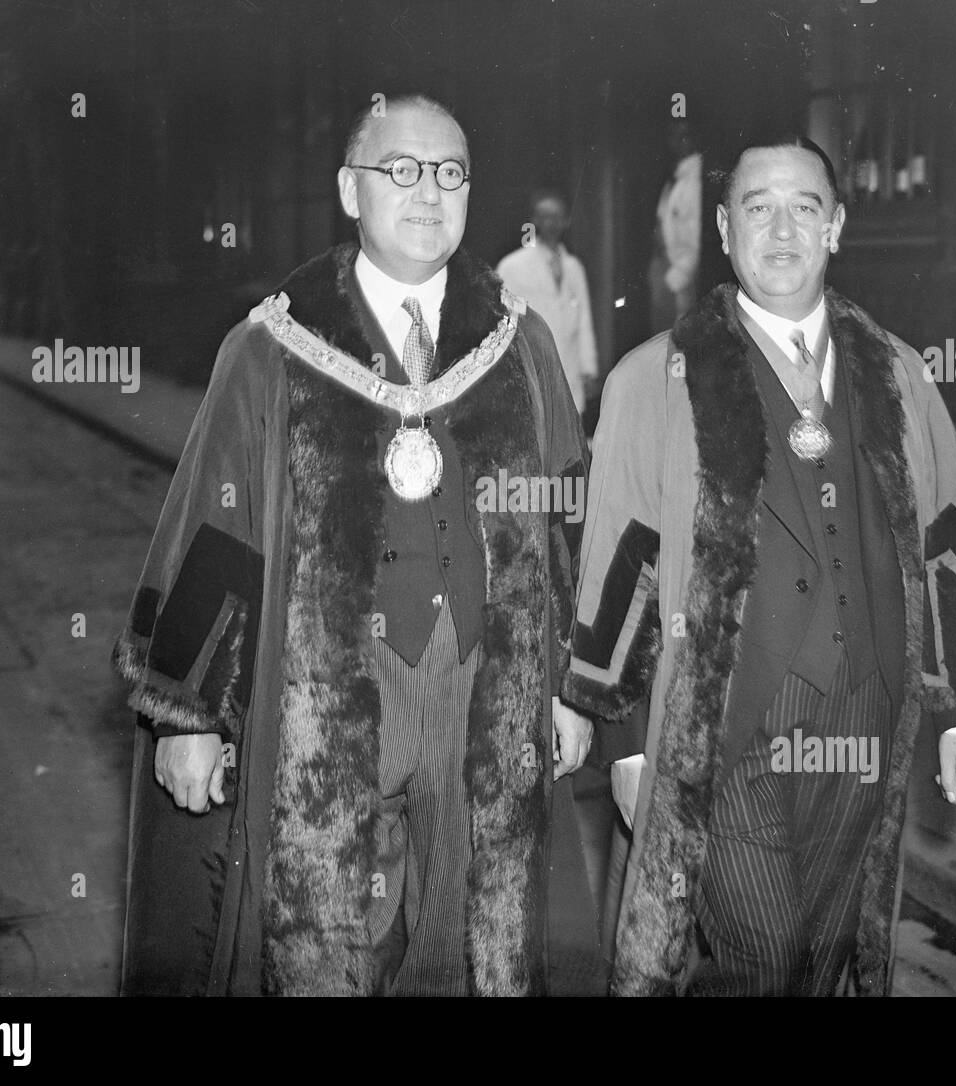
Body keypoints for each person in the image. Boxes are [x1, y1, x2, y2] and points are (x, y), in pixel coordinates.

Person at [112, 94, 594, 996]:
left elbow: (566, 515)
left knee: (467, 938)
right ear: (349, 188)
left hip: (481, 689)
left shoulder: (517, 342)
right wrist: (187, 717)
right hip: (324, 695)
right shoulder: (273, 348)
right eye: (400, 170)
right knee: (328, 938)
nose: (427, 193)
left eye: (449, 173)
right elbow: (216, 526)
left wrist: (571, 684)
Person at [563, 133, 956, 996]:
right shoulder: (652, 381)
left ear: (837, 227)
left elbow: (945, 534)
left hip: (868, 708)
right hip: (729, 721)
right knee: (761, 955)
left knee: (824, 959)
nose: (781, 231)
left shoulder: (897, 375)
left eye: (804, 208)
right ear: (724, 228)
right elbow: (617, 569)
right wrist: (629, 747)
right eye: (758, 208)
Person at [497, 189, 599, 418]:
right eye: (544, 216)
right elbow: (501, 322)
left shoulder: (574, 267)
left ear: (566, 221)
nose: (551, 223)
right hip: (530, 369)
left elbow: (584, 320)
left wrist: (588, 367)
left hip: (568, 369)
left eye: (557, 217)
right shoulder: (513, 266)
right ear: (534, 220)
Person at [647, 118, 703, 333]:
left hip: (679, 279)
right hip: (663, 270)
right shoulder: (675, 179)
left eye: (684, 136)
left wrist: (677, 280)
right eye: (673, 137)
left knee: (677, 344)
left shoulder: (694, 183)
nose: (678, 143)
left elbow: (695, 238)